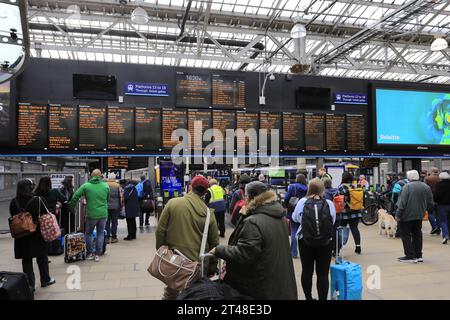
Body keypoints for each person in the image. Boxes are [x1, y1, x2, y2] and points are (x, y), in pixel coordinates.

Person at [210, 181, 297, 300]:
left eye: (245, 196)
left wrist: (219, 250)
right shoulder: (279, 217)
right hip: (279, 283)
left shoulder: (253, 222)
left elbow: (244, 254)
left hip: (262, 286)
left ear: (250, 197)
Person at [156, 176, 220, 300]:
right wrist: (211, 267)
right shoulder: (208, 213)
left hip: (175, 262)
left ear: (190, 187)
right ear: (206, 192)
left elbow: (160, 231)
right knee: (195, 295)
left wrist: (162, 251)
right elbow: (214, 243)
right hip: (198, 265)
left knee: (171, 293)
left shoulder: (173, 203)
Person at [292, 178, 336, 300]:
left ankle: (308, 297)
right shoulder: (329, 203)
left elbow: (295, 218)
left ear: (309, 188)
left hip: (305, 240)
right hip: (325, 242)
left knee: (307, 271)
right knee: (322, 273)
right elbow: (333, 220)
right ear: (322, 189)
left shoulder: (301, 202)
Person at [9, 179, 55, 291]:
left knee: (26, 260)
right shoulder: (38, 200)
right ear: (30, 187)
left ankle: (30, 285)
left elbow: (13, 215)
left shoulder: (14, 201)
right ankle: (45, 279)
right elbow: (45, 214)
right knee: (42, 256)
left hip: (21, 235)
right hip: (37, 234)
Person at [70, 169, 109, 262]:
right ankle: (97, 254)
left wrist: (72, 207)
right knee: (100, 233)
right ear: (101, 176)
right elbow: (107, 199)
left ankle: (90, 253)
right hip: (103, 214)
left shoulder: (86, 186)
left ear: (91, 176)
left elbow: (75, 196)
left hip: (91, 214)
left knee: (89, 233)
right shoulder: (105, 186)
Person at [396, 170, 434, 263]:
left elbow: (402, 203)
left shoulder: (407, 186)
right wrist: (424, 210)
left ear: (409, 178)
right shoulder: (426, 187)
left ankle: (410, 255)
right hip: (419, 215)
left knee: (406, 235)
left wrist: (398, 214)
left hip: (407, 215)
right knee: (417, 234)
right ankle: (418, 255)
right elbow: (430, 202)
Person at [284, 174, 308, 259]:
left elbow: (286, 198)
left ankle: (294, 253)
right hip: (304, 212)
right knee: (304, 232)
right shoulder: (307, 188)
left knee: (294, 232)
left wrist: (287, 206)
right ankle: (305, 252)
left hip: (293, 211)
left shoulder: (292, 187)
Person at [338, 171, 362, 254]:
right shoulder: (354, 186)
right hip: (356, 211)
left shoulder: (341, 187)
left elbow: (339, 199)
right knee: (355, 229)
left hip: (345, 212)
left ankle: (339, 247)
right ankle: (358, 247)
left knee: (341, 228)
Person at [105, 173, 122, 244]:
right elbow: (121, 196)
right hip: (116, 207)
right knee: (114, 222)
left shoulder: (105, 185)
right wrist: (121, 206)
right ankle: (114, 237)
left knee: (107, 222)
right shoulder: (118, 185)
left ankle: (107, 237)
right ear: (114, 178)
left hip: (106, 206)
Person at [424, 167, 441, 235]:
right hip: (440, 198)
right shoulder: (440, 178)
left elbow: (425, 188)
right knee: (438, 215)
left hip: (430, 198)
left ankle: (434, 227)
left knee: (430, 213)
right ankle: (438, 228)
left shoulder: (427, 178)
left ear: (431, 171)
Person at [434, 172, 450, 244]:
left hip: (442, 205)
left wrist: (436, 201)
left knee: (443, 221)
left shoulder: (439, 185)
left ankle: (445, 235)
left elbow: (437, 195)